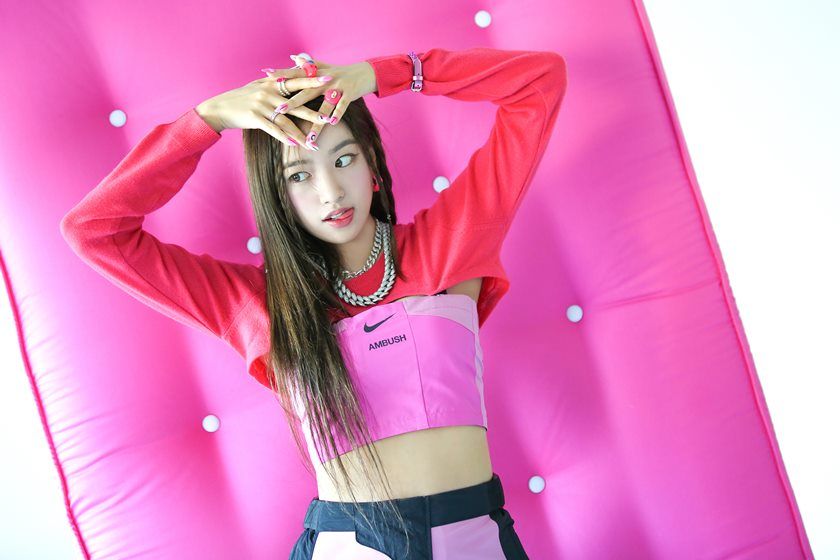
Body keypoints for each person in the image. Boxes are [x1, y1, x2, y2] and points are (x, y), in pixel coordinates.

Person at [60, 46, 568, 559]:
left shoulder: (449, 244)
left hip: (474, 536)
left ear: (372, 164)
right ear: (278, 196)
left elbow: (538, 82)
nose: (331, 192)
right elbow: (94, 231)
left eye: (344, 159)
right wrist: (208, 119)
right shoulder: (261, 304)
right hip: (350, 544)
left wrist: (377, 76)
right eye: (299, 175)